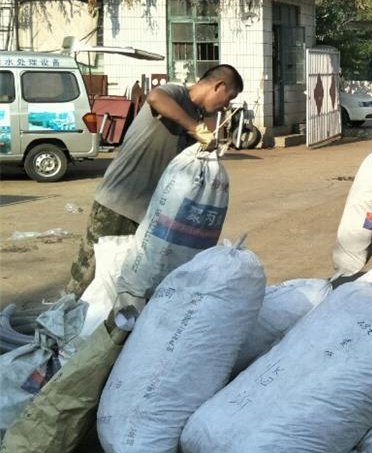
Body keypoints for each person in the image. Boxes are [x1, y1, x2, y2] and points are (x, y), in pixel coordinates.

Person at [65, 64, 243, 297]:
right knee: (87, 277)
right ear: (218, 86)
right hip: (119, 201)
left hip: (149, 215)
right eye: (229, 97)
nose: (227, 105)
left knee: (121, 282)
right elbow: (155, 97)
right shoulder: (178, 94)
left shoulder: (197, 116)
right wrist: (195, 128)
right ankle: (58, 323)